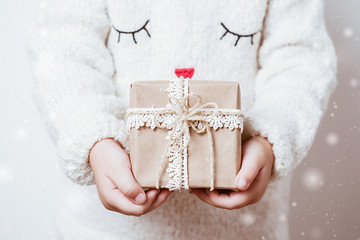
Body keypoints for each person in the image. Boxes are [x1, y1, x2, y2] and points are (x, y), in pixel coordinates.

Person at [27, 0, 337, 239]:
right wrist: (95, 139)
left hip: (244, 229)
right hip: (103, 230)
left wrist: (270, 139)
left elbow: (301, 56)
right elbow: (62, 49)